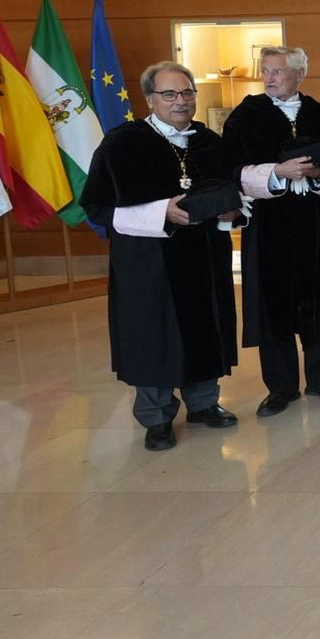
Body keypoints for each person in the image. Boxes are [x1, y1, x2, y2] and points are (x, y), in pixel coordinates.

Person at [81, 62, 243, 450]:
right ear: (149, 99)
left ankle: (204, 403)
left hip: (203, 257)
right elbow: (97, 209)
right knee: (153, 334)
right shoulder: (122, 145)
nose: (181, 101)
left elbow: (231, 193)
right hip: (148, 261)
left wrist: (232, 212)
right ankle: (156, 418)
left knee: (207, 323)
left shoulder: (209, 143)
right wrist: (161, 213)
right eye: (170, 94)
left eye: (187, 93)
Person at [229, 46, 320, 415]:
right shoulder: (246, 116)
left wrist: (318, 174)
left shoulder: (319, 114)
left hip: (317, 222)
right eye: (265, 70)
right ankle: (281, 387)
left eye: (278, 71)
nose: (269, 77)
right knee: (273, 304)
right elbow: (232, 170)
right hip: (270, 225)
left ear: (300, 74)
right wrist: (276, 173)